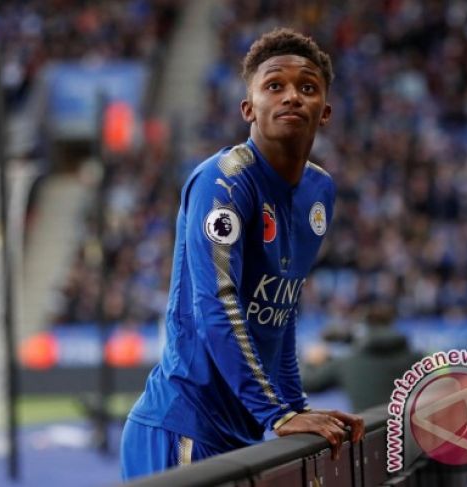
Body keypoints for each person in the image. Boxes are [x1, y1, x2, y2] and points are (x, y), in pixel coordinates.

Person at [120, 27, 364, 480]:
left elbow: (282, 311)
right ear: (248, 108)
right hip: (184, 428)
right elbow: (217, 303)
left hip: (241, 434)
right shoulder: (223, 181)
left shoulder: (320, 191)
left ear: (325, 112)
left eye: (307, 87)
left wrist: (294, 407)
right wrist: (278, 414)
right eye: (274, 85)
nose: (291, 96)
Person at [301, 301, 423, 411]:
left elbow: (307, 383)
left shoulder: (347, 363)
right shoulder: (416, 359)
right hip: (407, 427)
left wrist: (310, 361)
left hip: (368, 428)